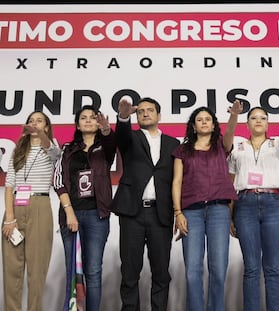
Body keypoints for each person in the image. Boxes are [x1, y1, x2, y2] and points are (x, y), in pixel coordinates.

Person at [227, 106, 279, 310]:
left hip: (273, 205)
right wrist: (230, 216)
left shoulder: (276, 144)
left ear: (268, 123)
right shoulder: (238, 146)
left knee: (272, 267)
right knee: (251, 268)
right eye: (253, 118)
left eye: (263, 118)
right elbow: (231, 184)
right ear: (247, 123)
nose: (258, 121)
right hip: (245, 205)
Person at [112, 97, 180, 311]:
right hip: (132, 212)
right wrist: (123, 117)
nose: (145, 113)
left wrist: (179, 212)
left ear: (159, 115)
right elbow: (121, 135)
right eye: (140, 111)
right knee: (130, 271)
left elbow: (178, 179)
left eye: (150, 110)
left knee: (161, 272)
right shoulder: (129, 138)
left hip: (161, 213)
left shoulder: (173, 144)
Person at [172, 102, 241, 311]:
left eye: (207, 119)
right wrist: (178, 212)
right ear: (193, 126)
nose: (203, 122)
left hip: (219, 211)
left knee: (218, 270)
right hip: (191, 212)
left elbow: (230, 131)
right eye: (199, 119)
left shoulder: (222, 145)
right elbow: (176, 182)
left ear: (213, 125)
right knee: (193, 271)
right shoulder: (182, 151)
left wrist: (234, 115)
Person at [53, 105, 116, 311]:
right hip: (71, 215)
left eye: (92, 117)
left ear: (98, 123)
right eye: (83, 118)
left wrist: (106, 130)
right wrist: (69, 212)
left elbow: (110, 142)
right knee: (73, 271)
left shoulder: (104, 148)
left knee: (93, 271)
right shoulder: (67, 149)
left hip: (97, 216)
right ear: (78, 125)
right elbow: (58, 180)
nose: (88, 120)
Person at [2, 111, 61, 311]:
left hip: (39, 206)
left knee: (37, 270)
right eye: (31, 121)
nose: (34, 124)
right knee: (12, 269)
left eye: (39, 121)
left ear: (46, 127)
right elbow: (9, 184)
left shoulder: (50, 147)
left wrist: (40, 134)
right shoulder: (18, 150)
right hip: (15, 208)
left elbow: (53, 151)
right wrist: (9, 218)